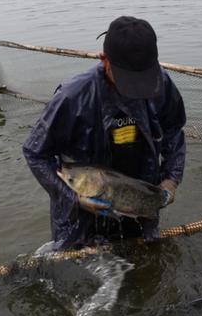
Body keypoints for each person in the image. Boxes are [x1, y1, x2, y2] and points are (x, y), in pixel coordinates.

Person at [23, 16, 186, 250]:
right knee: (80, 276)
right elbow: (35, 153)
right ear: (104, 60)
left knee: (146, 267)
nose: (136, 89)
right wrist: (75, 199)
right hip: (81, 214)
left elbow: (173, 130)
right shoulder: (72, 97)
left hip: (139, 202)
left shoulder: (162, 84)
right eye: (129, 80)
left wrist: (171, 179)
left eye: (143, 78)